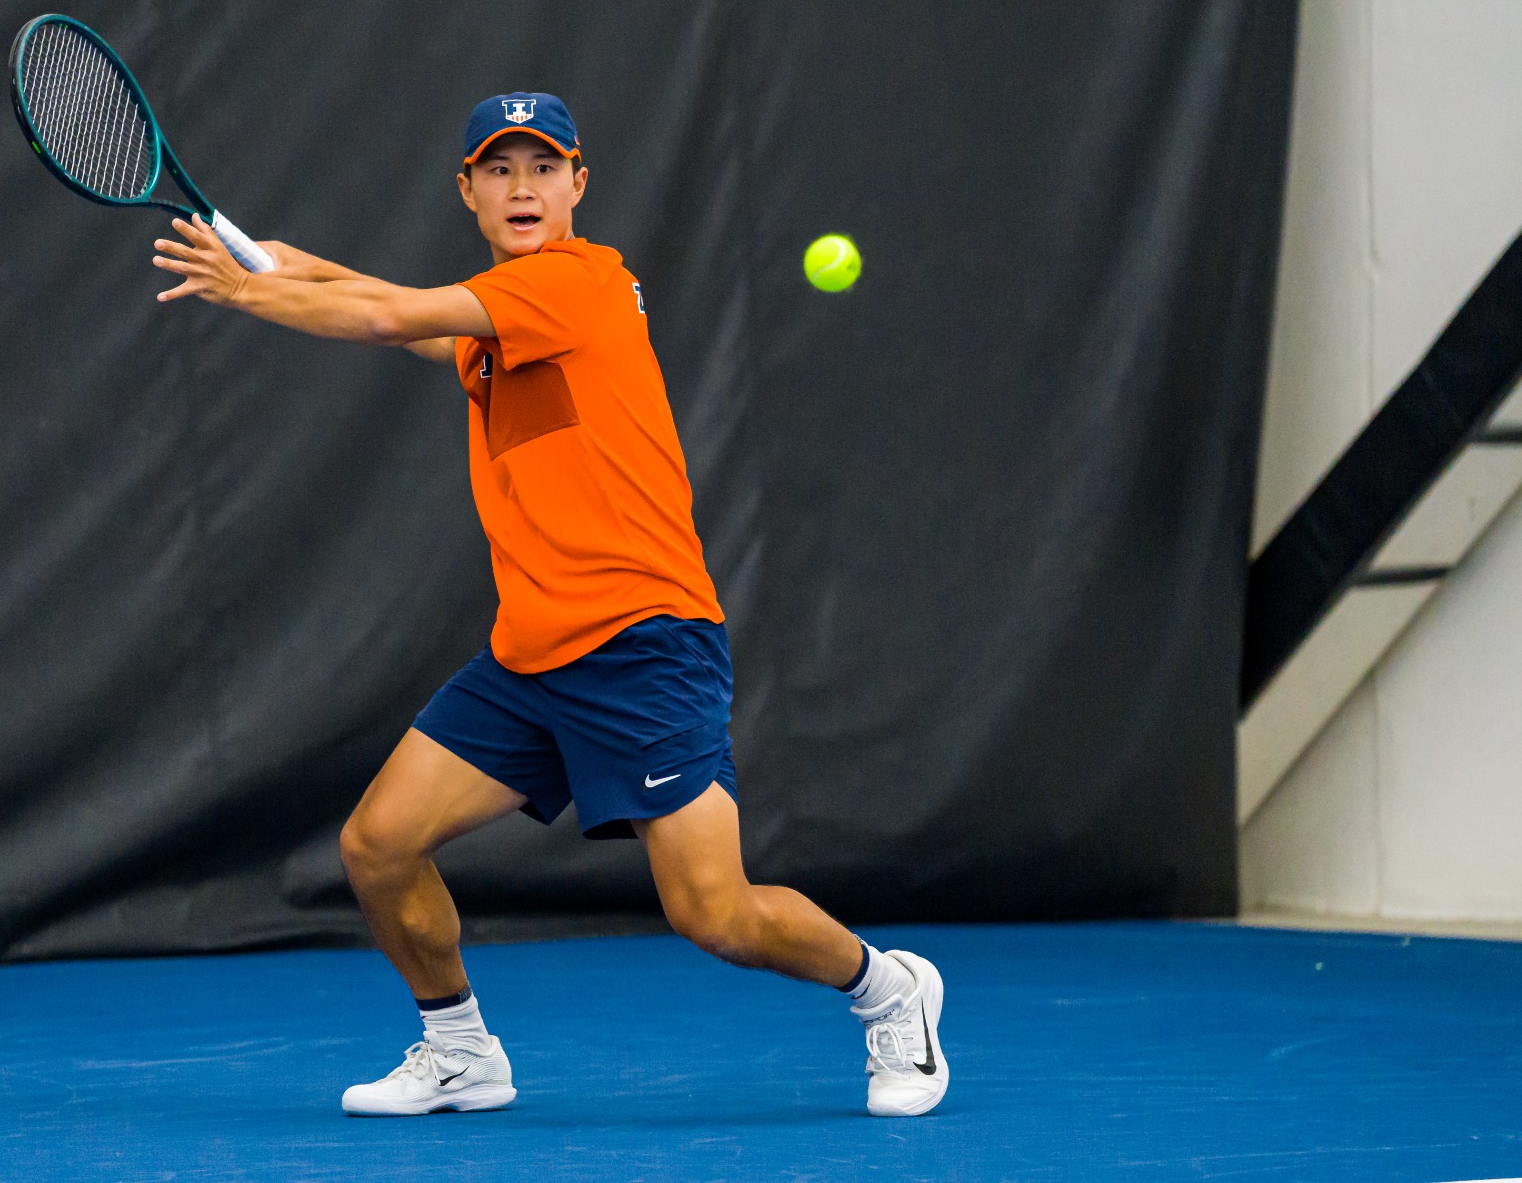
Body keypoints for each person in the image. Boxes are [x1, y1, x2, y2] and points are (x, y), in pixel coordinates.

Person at [150, 93, 947, 1118]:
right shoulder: (493, 319)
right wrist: (282, 261)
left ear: (578, 185)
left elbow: (390, 314)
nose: (521, 187)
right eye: (499, 168)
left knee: (714, 912)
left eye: (543, 167)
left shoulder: (580, 281)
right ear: (467, 191)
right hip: (530, 656)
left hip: (644, 643)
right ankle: (460, 1050)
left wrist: (249, 292)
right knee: (377, 845)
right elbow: (394, 306)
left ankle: (889, 990)